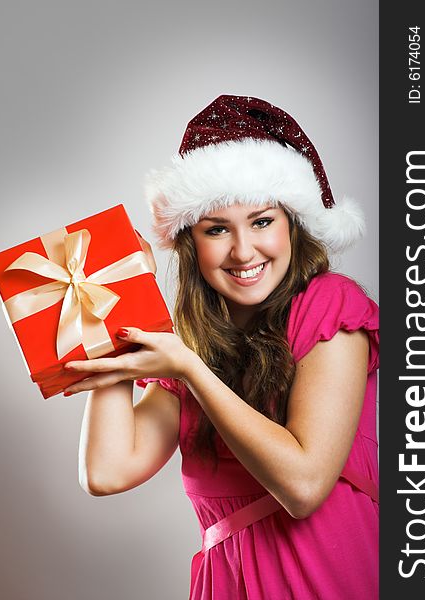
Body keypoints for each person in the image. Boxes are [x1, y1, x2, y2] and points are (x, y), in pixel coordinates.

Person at [64, 95, 379, 599]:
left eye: (261, 221)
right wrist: (116, 316)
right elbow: (106, 472)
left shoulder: (330, 306)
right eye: (216, 229)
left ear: (292, 224)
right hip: (228, 585)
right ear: (192, 243)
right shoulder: (190, 345)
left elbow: (303, 487)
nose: (243, 251)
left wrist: (190, 370)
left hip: (325, 577)